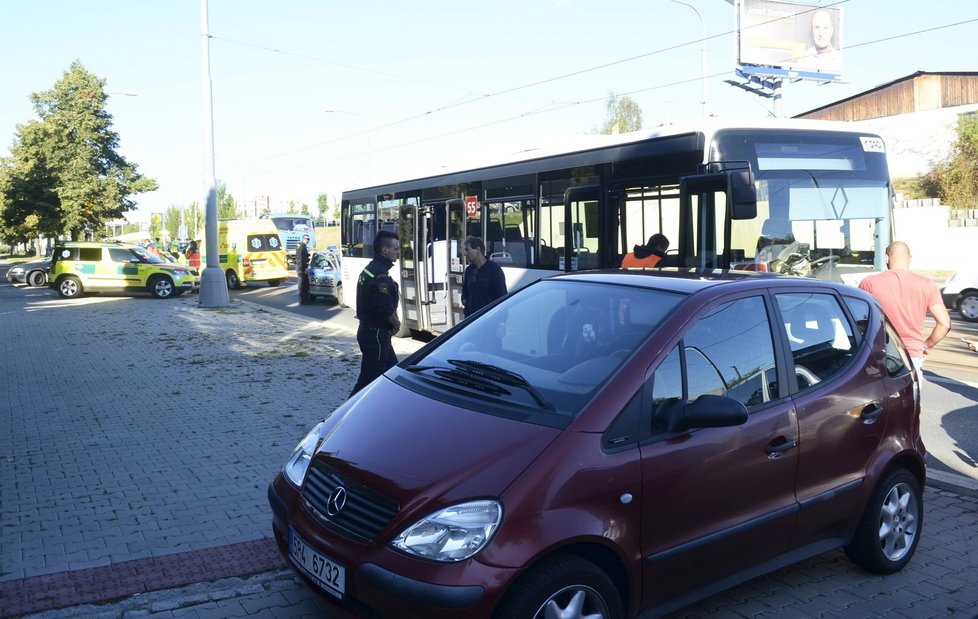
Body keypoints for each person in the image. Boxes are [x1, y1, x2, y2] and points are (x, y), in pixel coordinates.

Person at [858, 241, 951, 375]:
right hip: (912, 355)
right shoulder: (927, 284)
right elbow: (945, 324)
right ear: (910, 258)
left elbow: (859, 320)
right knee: (909, 396)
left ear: (886, 257)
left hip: (879, 354)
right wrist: (926, 346)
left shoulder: (869, 283)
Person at [350, 231, 401, 396]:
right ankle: (345, 416)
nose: (398, 252)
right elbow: (384, 307)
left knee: (392, 373)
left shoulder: (372, 270)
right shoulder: (379, 275)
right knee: (368, 381)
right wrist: (396, 323)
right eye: (396, 248)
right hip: (376, 335)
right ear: (385, 250)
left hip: (374, 333)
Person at [461, 236, 508, 317]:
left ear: (478, 250)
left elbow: (502, 298)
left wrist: (501, 321)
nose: (465, 254)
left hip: (488, 321)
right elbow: (465, 294)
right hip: (471, 321)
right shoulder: (469, 270)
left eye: (467, 250)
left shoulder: (494, 270)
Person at [296, 234, 311, 305]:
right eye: (307, 239)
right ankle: (302, 300)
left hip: (300, 267)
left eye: (309, 239)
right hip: (301, 268)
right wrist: (303, 268)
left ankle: (303, 299)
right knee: (302, 284)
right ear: (304, 239)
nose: (308, 240)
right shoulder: (302, 246)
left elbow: (301, 256)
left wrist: (308, 256)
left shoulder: (300, 245)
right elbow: (301, 257)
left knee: (304, 284)